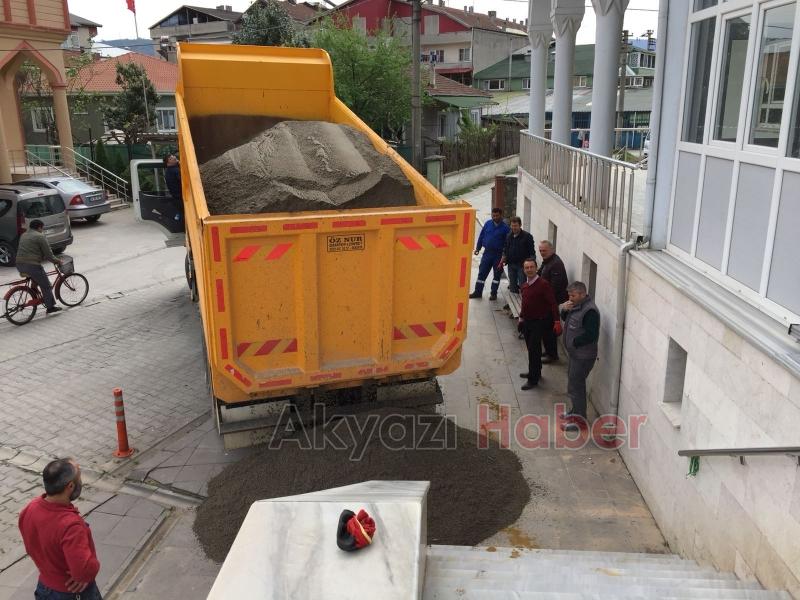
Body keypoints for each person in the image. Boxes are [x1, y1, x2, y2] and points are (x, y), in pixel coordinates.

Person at [19, 458, 102, 600]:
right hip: (71, 593)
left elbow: (32, 546)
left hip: (44, 588)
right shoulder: (71, 525)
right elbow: (84, 571)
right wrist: (86, 571)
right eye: (79, 478)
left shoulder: (29, 509)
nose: (81, 482)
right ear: (70, 486)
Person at [559, 281, 601, 432]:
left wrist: (574, 343)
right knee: (573, 384)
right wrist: (564, 310)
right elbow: (566, 319)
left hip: (583, 356)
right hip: (575, 354)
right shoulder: (576, 305)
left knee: (577, 386)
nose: (570, 298)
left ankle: (580, 421)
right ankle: (574, 412)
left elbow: (591, 335)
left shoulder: (589, 311)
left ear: (583, 294)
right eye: (569, 295)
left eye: (573, 295)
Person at [517, 257, 561, 390]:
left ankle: (533, 380)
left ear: (536, 268)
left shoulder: (543, 284)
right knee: (531, 349)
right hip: (527, 322)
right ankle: (535, 371)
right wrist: (521, 319)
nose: (529, 270)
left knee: (534, 351)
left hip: (539, 323)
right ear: (524, 270)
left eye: (531, 267)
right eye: (527, 268)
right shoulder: (524, 285)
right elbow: (525, 304)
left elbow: (553, 303)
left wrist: (557, 321)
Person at [15, 219, 62, 314]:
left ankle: (33, 292)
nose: (42, 230)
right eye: (42, 228)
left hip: (19, 264)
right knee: (46, 286)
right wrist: (57, 261)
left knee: (36, 279)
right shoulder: (40, 236)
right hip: (31, 265)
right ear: (39, 227)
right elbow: (49, 255)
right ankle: (50, 307)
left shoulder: (24, 235)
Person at [537, 240, 569, 363]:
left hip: (552, 302)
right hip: (547, 301)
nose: (542, 253)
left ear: (551, 250)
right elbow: (540, 273)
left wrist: (543, 299)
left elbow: (554, 288)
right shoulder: (548, 261)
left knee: (549, 330)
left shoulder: (555, 264)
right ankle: (549, 351)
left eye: (544, 250)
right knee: (546, 329)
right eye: (540, 251)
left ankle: (552, 355)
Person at [469, 207, 510, 301]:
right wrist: (478, 248)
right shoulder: (488, 224)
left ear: (501, 215)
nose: (494, 217)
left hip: (498, 255)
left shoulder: (506, 229)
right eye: (493, 215)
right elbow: (481, 236)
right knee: (482, 273)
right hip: (487, 253)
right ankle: (477, 292)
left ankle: (493, 293)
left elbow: (508, 244)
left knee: (497, 275)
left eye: (497, 215)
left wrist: (505, 256)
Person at [500, 217, 535, 294]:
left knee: (523, 285)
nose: (513, 228)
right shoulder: (509, 236)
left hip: (522, 266)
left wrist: (531, 265)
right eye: (512, 226)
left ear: (520, 225)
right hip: (511, 264)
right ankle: (513, 302)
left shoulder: (527, 236)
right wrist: (504, 256)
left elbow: (532, 253)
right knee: (512, 285)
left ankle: (524, 302)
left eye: (515, 226)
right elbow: (505, 248)